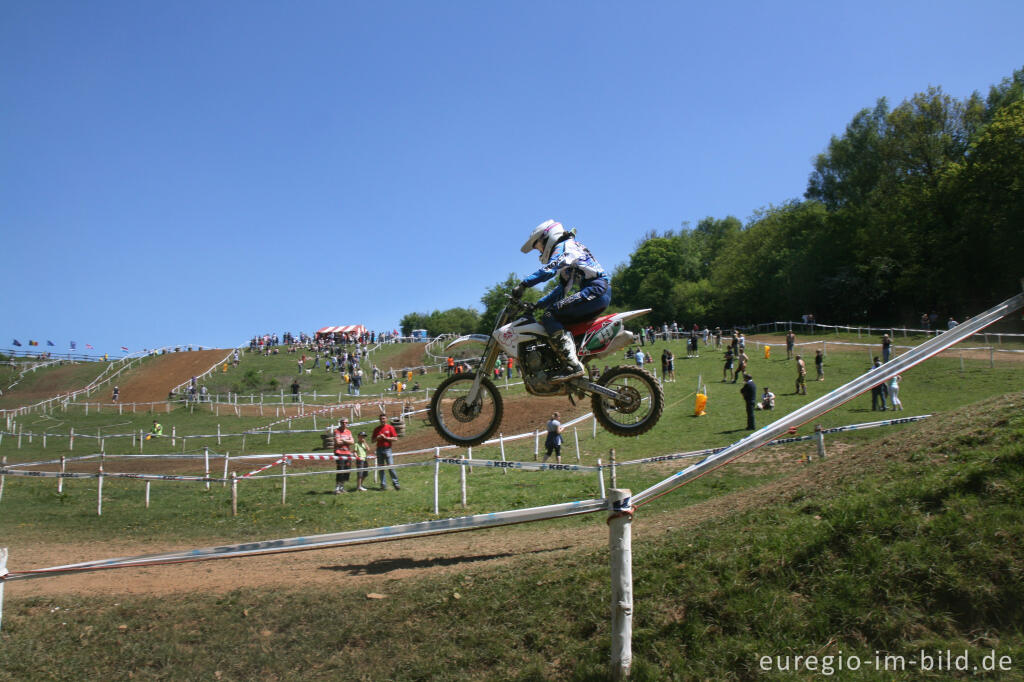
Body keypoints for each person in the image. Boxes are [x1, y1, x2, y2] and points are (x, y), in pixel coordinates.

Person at [512, 220, 610, 383]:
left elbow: (550, 270)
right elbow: (560, 291)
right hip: (598, 292)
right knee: (554, 313)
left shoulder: (566, 246)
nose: (539, 252)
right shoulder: (570, 250)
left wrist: (524, 284)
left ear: (547, 237)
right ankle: (568, 362)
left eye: (538, 247)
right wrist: (537, 305)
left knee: (550, 315)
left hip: (596, 290)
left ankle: (573, 365)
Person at [373, 414, 400, 490]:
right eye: (381, 419)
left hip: (388, 449)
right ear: (379, 420)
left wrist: (386, 438)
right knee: (381, 468)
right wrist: (377, 438)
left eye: (384, 418)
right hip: (379, 449)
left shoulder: (390, 427)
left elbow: (395, 438)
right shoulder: (376, 429)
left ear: (386, 419)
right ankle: (383, 484)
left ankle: (396, 484)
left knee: (391, 467)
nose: (382, 420)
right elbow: (372, 440)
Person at [333, 418, 354, 494]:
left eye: (346, 423)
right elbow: (338, 442)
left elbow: (352, 441)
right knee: (340, 469)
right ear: (340, 423)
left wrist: (344, 440)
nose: (344, 424)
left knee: (347, 470)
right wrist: (347, 441)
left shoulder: (348, 431)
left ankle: (342, 487)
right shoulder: (336, 431)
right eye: (343, 422)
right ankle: (337, 488)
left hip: (347, 453)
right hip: (339, 452)